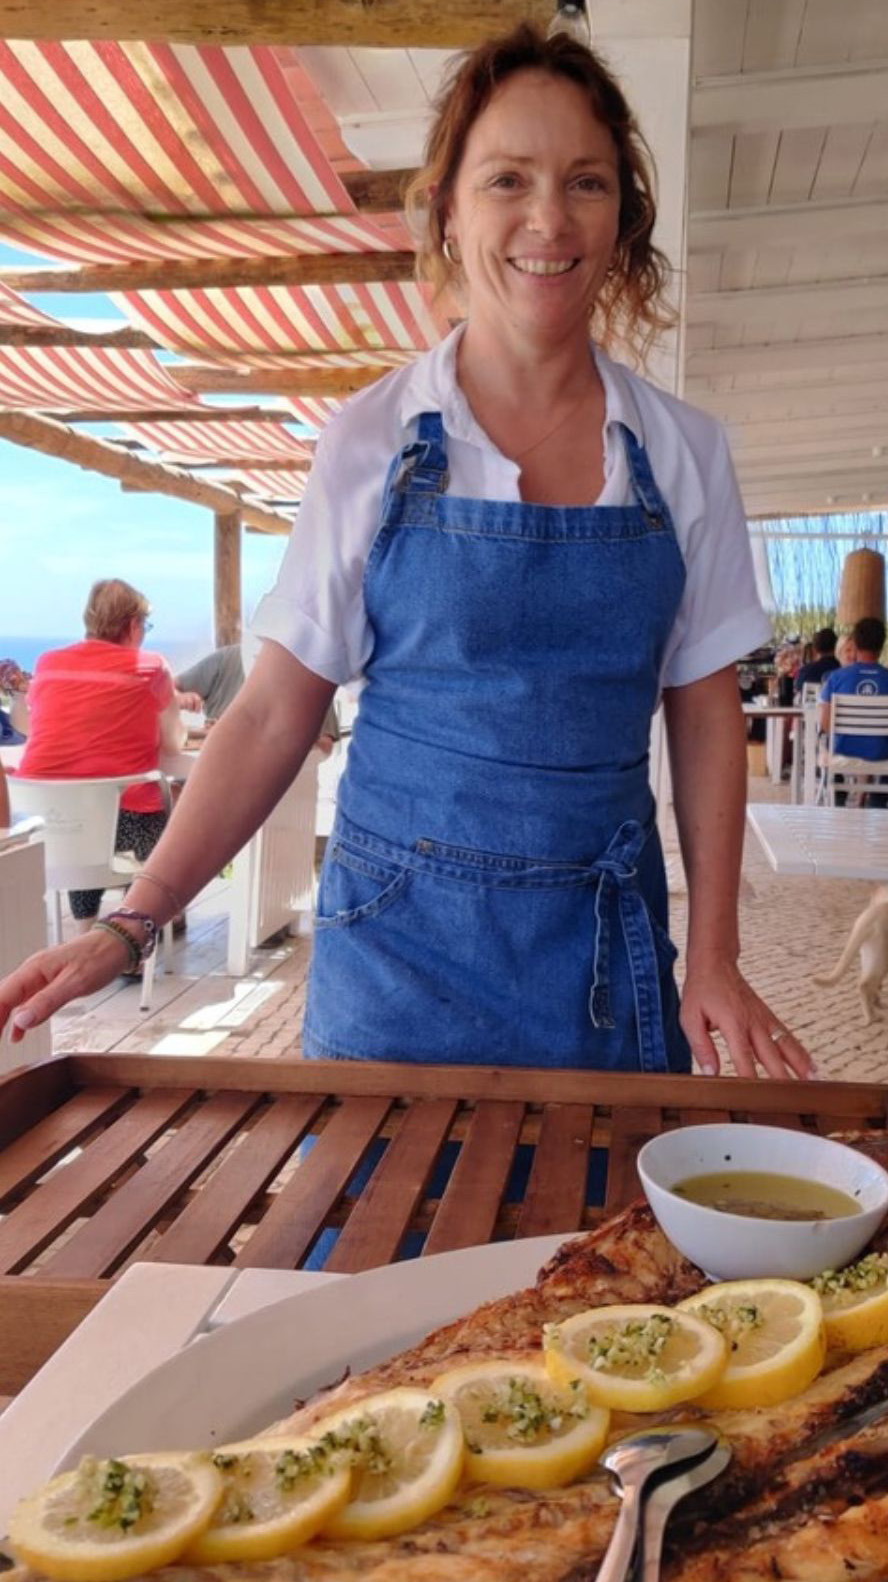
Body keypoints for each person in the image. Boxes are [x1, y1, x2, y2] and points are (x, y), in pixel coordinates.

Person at [0, 24, 810, 1082]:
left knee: (600, 1249)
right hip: (397, 951)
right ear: (448, 208)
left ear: (625, 219)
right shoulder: (370, 438)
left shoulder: (685, 451)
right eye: (507, 179)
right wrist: (137, 918)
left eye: (587, 182)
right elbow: (273, 709)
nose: (548, 219)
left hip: (602, 953)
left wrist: (714, 956)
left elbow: (704, 710)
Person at [14, 580, 184, 926]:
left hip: (49, 828)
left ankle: (85, 929)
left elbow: (38, 724)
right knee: (142, 806)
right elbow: (174, 744)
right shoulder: (151, 667)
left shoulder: (48, 664)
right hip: (125, 831)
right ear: (134, 625)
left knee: (85, 809)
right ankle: (136, 924)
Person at [176, 642, 341, 754]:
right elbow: (167, 689)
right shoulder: (229, 658)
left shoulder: (311, 673)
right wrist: (180, 698)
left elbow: (325, 746)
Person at [818, 616, 888, 806]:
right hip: (885, 754)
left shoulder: (836, 678)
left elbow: (825, 723)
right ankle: (877, 802)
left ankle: (838, 800)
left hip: (844, 752)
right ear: (882, 646)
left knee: (824, 746)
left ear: (856, 644)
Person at [794, 627, 839, 694]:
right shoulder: (844, 671)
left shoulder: (806, 671)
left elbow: (798, 690)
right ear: (836, 646)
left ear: (815, 649)